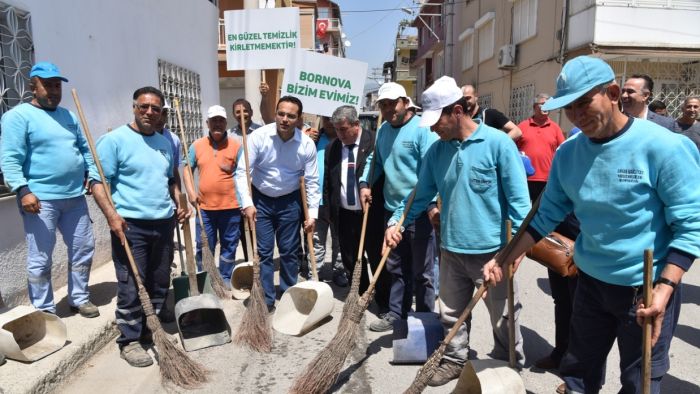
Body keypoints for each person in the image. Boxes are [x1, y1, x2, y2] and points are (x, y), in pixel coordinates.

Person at [483, 56, 700, 394]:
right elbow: (545, 216)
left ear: (613, 93)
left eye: (584, 103)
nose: (577, 115)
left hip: (645, 290)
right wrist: (504, 258)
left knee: (638, 382)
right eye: (569, 108)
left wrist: (665, 289)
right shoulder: (569, 153)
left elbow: (690, 224)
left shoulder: (665, 147)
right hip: (590, 285)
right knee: (577, 375)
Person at [385, 76, 530, 385]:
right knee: (450, 313)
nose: (434, 127)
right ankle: (454, 359)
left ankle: (507, 369)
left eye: (438, 119)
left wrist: (514, 251)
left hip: (494, 253)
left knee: (504, 318)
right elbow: (419, 194)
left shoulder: (498, 144)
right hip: (451, 248)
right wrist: (395, 223)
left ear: (458, 111)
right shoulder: (437, 153)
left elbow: (520, 204)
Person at [91, 86, 189, 368]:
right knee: (132, 284)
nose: (149, 112)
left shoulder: (164, 142)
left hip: (163, 221)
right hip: (131, 224)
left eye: (155, 108)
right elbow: (98, 182)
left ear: (161, 113)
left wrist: (180, 203)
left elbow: (170, 181)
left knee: (159, 280)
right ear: (134, 107)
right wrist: (111, 216)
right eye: (143, 107)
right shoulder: (114, 141)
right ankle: (130, 340)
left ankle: (151, 328)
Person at [0, 61, 99, 318]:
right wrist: (23, 190)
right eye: (48, 85)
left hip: (75, 197)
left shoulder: (69, 116)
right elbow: (10, 158)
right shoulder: (17, 117)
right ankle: (44, 309)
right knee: (41, 258)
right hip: (40, 200)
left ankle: (79, 297)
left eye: (57, 85)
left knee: (83, 248)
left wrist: (93, 175)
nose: (54, 91)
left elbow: (85, 150)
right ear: (34, 87)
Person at [359, 82, 438, 332]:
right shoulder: (383, 130)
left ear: (405, 102)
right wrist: (365, 182)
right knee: (395, 265)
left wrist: (432, 204)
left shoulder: (422, 129)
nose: (388, 109)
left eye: (392, 103)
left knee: (423, 273)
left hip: (419, 211)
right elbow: (376, 160)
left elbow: (432, 170)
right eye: (383, 105)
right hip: (392, 210)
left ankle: (425, 320)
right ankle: (397, 313)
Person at [234, 96, 320, 311]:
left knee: (289, 251)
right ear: (275, 113)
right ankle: (266, 299)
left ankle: (289, 294)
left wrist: (312, 214)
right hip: (261, 200)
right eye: (281, 113)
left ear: (298, 119)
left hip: (290, 201)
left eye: (291, 116)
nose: (284, 119)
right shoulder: (258, 137)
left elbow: (311, 181)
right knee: (263, 252)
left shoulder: (306, 144)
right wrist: (247, 203)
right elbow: (243, 171)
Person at [324, 106, 385, 298]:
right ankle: (361, 293)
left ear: (356, 125)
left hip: (370, 213)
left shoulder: (375, 142)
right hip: (345, 214)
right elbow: (329, 183)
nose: (339, 134)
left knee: (376, 256)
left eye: (343, 129)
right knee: (351, 258)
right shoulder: (332, 148)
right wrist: (330, 213)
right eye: (336, 129)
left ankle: (384, 300)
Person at [183, 105, 242, 285]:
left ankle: (224, 277)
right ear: (207, 123)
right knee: (204, 245)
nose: (217, 124)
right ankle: (206, 278)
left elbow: (244, 173)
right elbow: (187, 169)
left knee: (229, 245)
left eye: (221, 120)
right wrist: (191, 193)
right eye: (213, 120)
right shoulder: (197, 145)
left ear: (225, 123)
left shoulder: (236, 146)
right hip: (204, 208)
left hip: (231, 207)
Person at [312, 116, 347, 286]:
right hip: (316, 200)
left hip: (339, 201)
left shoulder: (345, 140)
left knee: (339, 240)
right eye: (325, 118)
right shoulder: (313, 139)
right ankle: (315, 273)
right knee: (317, 240)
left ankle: (339, 271)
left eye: (332, 119)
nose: (328, 122)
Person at [228, 98, 261, 263]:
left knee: (259, 227)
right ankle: (250, 262)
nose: (242, 114)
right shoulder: (230, 135)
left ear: (251, 112)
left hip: (259, 187)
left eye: (245, 111)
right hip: (239, 187)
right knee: (243, 228)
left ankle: (260, 261)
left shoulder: (261, 131)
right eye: (238, 112)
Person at [516, 93, 565, 200]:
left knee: (542, 212)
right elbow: (511, 149)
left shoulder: (555, 128)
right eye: (542, 104)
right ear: (534, 107)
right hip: (524, 178)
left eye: (548, 104)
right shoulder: (522, 126)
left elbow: (563, 151)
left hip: (548, 180)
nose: (546, 107)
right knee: (525, 213)